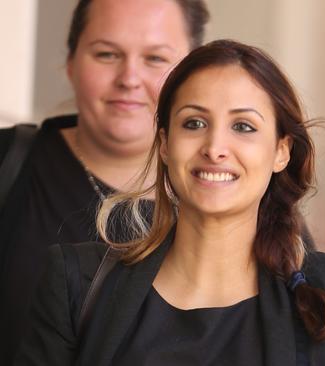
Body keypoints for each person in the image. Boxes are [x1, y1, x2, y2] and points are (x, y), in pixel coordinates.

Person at [15, 39, 325, 365]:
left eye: (243, 127)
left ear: (281, 152)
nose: (214, 148)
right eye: (194, 123)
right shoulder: (74, 283)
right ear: (164, 144)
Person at [0, 0, 209, 362]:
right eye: (107, 54)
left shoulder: (237, 198)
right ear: (71, 62)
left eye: (155, 59)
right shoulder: (8, 162)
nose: (129, 78)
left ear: (193, 75)